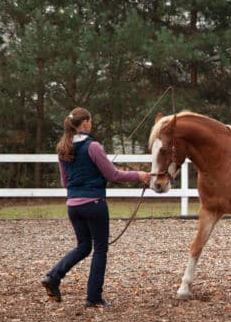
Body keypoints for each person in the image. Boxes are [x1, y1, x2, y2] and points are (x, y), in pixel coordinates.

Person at [41, 107, 150, 308]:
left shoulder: (63, 148)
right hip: (94, 204)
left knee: (83, 247)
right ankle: (93, 297)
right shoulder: (93, 147)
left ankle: (54, 276)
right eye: (90, 121)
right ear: (85, 123)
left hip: (73, 206)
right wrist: (138, 176)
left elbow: (66, 183)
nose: (91, 124)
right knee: (100, 249)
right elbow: (114, 175)